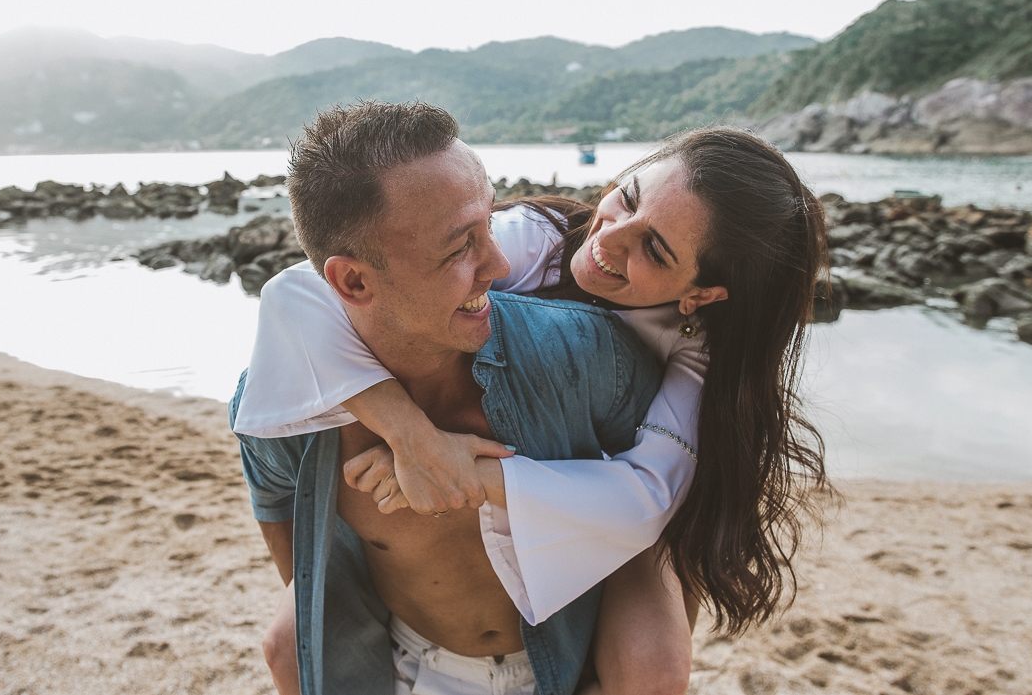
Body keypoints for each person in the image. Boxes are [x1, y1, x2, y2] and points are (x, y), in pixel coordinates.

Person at [238, 119, 830, 694]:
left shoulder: (696, 360)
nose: (608, 239)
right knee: (289, 642)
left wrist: (471, 474)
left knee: (653, 668)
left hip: (625, 524)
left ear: (701, 294)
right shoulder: (542, 236)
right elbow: (306, 288)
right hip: (448, 601)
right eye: (627, 198)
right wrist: (412, 436)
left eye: (653, 247)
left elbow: (649, 498)